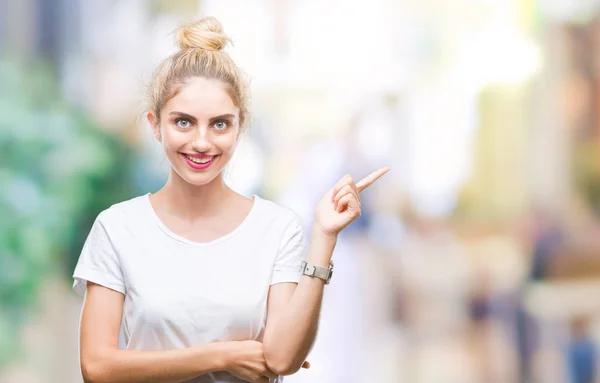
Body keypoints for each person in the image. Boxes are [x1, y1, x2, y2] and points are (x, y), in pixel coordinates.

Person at [72, 16, 388, 383]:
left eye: (220, 123)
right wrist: (221, 355)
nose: (202, 142)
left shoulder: (276, 228)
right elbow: (96, 367)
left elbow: (282, 358)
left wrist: (324, 237)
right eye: (183, 122)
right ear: (155, 124)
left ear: (240, 127)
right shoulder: (117, 228)